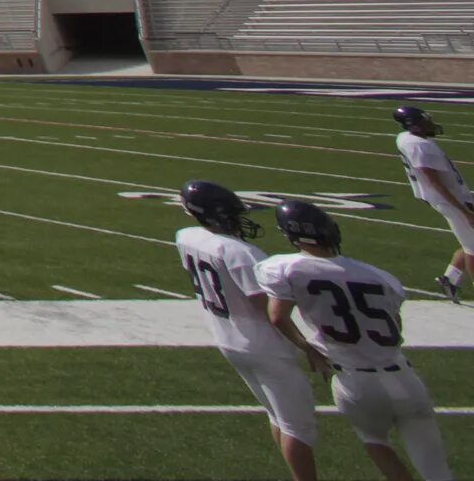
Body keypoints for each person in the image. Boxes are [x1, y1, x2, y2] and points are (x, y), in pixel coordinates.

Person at [261, 198, 454, 481]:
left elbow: (277, 316)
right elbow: (395, 327)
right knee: (437, 470)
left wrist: (308, 349)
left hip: (354, 380)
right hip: (405, 377)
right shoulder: (381, 277)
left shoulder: (284, 268)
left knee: (376, 443)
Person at [177, 179, 320, 481]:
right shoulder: (241, 252)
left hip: (229, 339)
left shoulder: (187, 236)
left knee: (277, 415)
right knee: (298, 426)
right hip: (264, 347)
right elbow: (266, 307)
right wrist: (306, 344)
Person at [393, 106, 473, 303]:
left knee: (468, 240)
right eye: (425, 121)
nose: (430, 124)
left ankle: (450, 279)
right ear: (416, 125)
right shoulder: (419, 145)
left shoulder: (406, 138)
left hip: (457, 197)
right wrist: (464, 211)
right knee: (472, 247)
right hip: (453, 200)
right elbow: (433, 181)